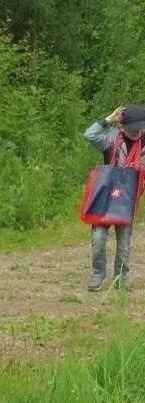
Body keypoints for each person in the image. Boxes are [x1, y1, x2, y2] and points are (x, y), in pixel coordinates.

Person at [83, 104, 145, 291]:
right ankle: (97, 273)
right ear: (122, 126)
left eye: (140, 128)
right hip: (104, 197)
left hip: (127, 200)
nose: (137, 132)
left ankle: (121, 277)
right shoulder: (110, 140)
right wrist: (108, 119)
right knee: (98, 238)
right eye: (133, 128)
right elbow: (89, 135)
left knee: (124, 244)